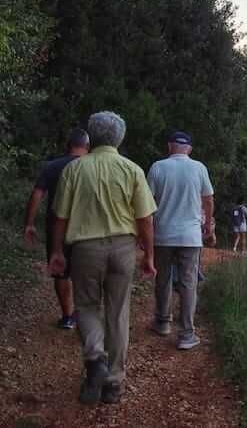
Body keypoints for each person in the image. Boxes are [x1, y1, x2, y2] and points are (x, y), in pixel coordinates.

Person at [49, 111, 157, 406]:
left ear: (91, 136)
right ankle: (114, 383)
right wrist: (148, 255)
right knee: (118, 312)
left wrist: (57, 251)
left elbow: (60, 216)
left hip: (85, 249)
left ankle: (95, 357)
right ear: (119, 138)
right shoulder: (132, 169)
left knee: (86, 306)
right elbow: (145, 219)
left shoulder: (74, 169)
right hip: (123, 249)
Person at [147, 131, 214, 351]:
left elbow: (147, 204)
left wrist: (144, 234)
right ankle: (186, 334)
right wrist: (207, 224)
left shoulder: (158, 167)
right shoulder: (199, 168)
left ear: (169, 147)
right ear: (190, 150)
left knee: (163, 279)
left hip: (163, 234)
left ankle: (163, 322)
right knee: (188, 283)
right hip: (190, 236)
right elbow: (208, 199)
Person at [23, 128, 90, 329]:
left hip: (56, 227)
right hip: (86, 227)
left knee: (61, 271)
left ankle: (68, 316)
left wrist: (29, 223)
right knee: (86, 272)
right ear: (87, 146)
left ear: (67, 145)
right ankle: (85, 316)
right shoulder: (92, 166)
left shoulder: (51, 166)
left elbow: (37, 194)